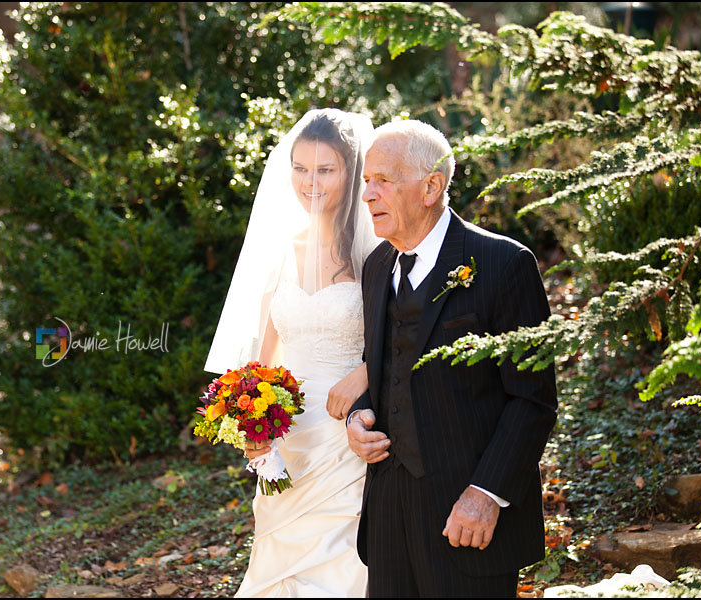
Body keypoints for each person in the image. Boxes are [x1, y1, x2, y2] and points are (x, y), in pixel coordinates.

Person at [346, 120, 558, 597]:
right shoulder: (377, 267)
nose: (368, 195)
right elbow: (381, 367)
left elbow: (534, 400)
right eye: (366, 182)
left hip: (466, 515)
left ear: (431, 187)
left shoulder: (505, 265)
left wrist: (486, 494)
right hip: (387, 515)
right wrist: (358, 418)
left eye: (383, 180)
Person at [204, 108, 380, 597]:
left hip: (347, 431)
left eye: (326, 170)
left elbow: (401, 339)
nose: (311, 183)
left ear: (351, 171)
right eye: (301, 169)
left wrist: (365, 373)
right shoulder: (280, 252)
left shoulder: (374, 255)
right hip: (285, 433)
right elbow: (260, 360)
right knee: (279, 565)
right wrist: (248, 425)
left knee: (340, 561)